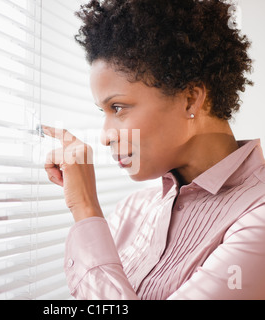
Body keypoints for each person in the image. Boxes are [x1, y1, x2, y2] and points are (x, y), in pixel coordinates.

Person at [43, 0, 265, 299]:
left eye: (118, 107)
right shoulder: (132, 211)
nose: (105, 136)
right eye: (103, 111)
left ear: (190, 99)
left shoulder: (257, 217)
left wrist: (85, 209)